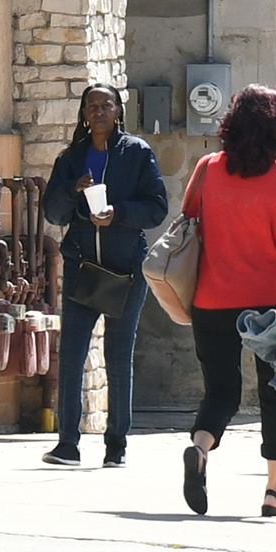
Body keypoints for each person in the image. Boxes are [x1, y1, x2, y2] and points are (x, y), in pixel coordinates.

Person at [180, 82, 276, 519]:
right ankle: (273, 493)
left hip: (212, 300)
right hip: (268, 307)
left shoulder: (207, 169)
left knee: (221, 392)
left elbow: (190, 220)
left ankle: (199, 448)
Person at [41, 82, 168, 467]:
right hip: (82, 269)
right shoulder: (72, 158)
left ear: (118, 112)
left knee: (118, 355)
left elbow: (157, 208)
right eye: (91, 106)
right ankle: (67, 444)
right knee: (72, 355)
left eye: (105, 105)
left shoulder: (136, 154)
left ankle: (117, 446)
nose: (98, 112)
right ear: (83, 113)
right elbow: (53, 213)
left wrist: (119, 213)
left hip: (125, 269)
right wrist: (71, 190)